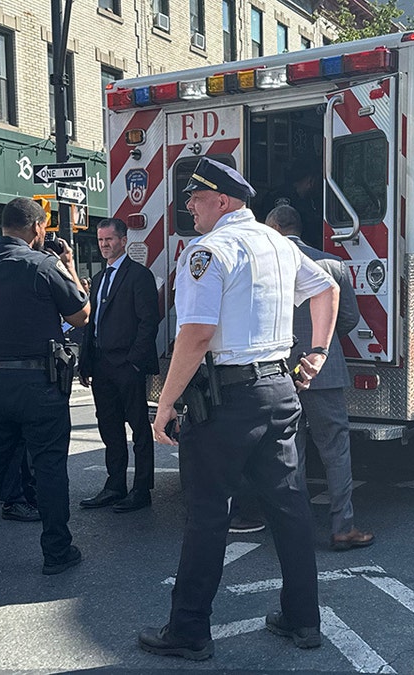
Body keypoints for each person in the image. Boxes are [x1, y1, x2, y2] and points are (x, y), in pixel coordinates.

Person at [138, 157, 337, 661]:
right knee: (289, 508)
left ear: (221, 201)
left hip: (226, 400)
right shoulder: (278, 243)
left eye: (196, 198)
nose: (189, 206)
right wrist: (315, 352)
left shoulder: (208, 251)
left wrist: (164, 403)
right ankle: (302, 619)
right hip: (278, 388)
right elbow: (327, 289)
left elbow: (197, 334)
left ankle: (188, 632)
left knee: (207, 514)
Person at [0, 197, 89, 575]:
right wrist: (69, 267)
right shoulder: (43, 265)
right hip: (38, 381)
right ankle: (57, 552)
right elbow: (80, 316)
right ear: (37, 228)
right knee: (49, 466)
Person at [266, 204, 372, 551]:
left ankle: (296, 530)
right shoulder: (332, 264)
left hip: (279, 370)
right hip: (323, 369)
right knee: (336, 450)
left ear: (274, 227)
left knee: (289, 452)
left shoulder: (267, 264)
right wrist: (323, 345)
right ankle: (344, 527)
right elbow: (349, 318)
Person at [78, 217, 162, 514]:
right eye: (101, 240)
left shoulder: (139, 276)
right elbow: (92, 324)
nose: (104, 245)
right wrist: (85, 362)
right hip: (101, 364)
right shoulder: (99, 279)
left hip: (127, 364)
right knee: (109, 427)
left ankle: (141, 490)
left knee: (139, 429)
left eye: (109, 240)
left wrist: (134, 362)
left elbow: (149, 321)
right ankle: (115, 486)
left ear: (124, 240)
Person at [252, 160, 323, 248]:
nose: (319, 186)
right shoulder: (280, 196)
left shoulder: (309, 200)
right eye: (319, 181)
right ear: (311, 180)